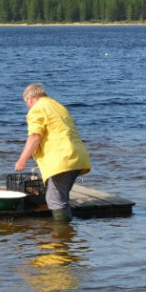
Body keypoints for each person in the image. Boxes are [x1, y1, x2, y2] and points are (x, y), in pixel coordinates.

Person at [15, 82, 91, 223]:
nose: (28, 106)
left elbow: (35, 137)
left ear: (30, 98)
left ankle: (60, 238)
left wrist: (22, 159)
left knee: (54, 199)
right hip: (77, 157)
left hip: (63, 160)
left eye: (26, 102)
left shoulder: (37, 109)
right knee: (60, 197)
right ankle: (66, 234)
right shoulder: (57, 105)